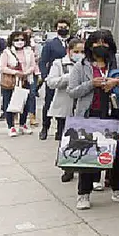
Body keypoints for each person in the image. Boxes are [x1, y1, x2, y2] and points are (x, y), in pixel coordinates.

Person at [67, 30, 119, 210]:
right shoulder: (82, 65)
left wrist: (116, 81)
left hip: (114, 113)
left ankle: (118, 189)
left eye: (105, 42)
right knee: (88, 156)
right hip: (91, 115)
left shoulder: (118, 59)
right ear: (90, 45)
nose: (101, 46)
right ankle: (83, 194)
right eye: (97, 43)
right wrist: (91, 84)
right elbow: (72, 91)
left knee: (116, 154)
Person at [47, 38, 83, 183]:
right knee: (66, 140)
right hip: (64, 107)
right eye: (76, 51)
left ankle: (82, 167)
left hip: (81, 107)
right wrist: (70, 77)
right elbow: (51, 82)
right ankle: (67, 168)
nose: (79, 54)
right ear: (69, 51)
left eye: (82, 51)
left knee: (81, 140)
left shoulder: (86, 65)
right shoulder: (59, 63)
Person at [0, 31, 37, 137]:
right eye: (16, 40)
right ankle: (11, 126)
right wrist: (15, 72)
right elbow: (2, 67)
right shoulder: (7, 52)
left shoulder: (29, 52)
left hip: (26, 80)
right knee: (9, 104)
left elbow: (33, 65)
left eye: (22, 39)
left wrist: (26, 73)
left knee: (25, 103)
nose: (19, 42)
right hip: (12, 82)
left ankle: (23, 124)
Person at [39, 19, 72, 140]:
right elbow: (43, 61)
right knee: (49, 103)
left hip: (69, 77)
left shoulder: (73, 42)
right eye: (60, 27)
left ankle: (60, 129)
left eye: (65, 27)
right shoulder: (50, 44)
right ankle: (45, 128)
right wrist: (44, 76)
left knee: (64, 104)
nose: (63, 29)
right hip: (54, 76)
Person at [22, 27, 41, 128]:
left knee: (32, 94)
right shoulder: (16, 47)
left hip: (32, 73)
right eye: (26, 33)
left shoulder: (34, 46)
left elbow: (37, 60)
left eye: (30, 33)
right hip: (19, 74)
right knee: (20, 95)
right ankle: (19, 117)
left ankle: (32, 116)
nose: (28, 35)